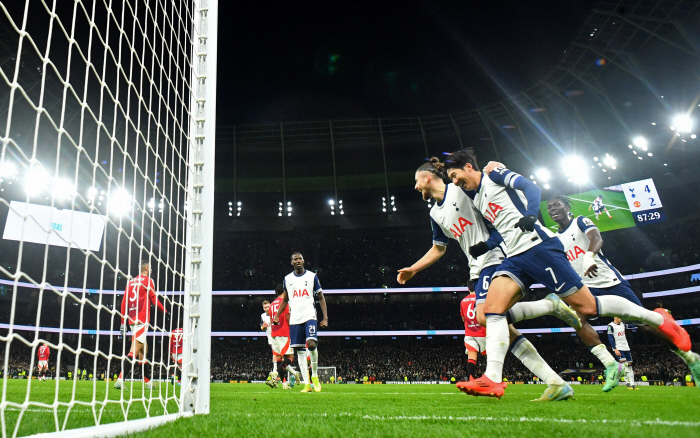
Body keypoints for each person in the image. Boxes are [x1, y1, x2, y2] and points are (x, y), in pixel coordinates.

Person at [440, 149, 691, 399]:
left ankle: (659, 320)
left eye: (455, 174)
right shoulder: (476, 198)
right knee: (491, 311)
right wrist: (487, 245)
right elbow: (502, 225)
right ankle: (492, 379)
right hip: (515, 258)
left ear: (469, 167)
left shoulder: (494, 174)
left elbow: (531, 187)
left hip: (539, 248)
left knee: (589, 308)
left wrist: (530, 214)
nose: (454, 181)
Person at [398, 159, 580, 400]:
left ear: (427, 177)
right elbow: (438, 248)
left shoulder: (460, 188)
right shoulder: (434, 212)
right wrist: (413, 269)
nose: (415, 187)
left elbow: (486, 192)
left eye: (416, 181)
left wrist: (494, 165)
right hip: (476, 268)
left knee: (486, 316)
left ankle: (546, 310)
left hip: (494, 258)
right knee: (501, 326)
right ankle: (555, 382)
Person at [547, 194, 700, 387]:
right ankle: (611, 364)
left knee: (644, 325)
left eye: (556, 205)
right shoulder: (554, 238)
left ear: (567, 207)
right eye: (549, 207)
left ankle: (690, 357)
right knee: (577, 319)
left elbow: (597, 238)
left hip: (610, 282)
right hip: (586, 288)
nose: (552, 209)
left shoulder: (580, 221)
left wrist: (589, 256)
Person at [273, 251, 328, 393]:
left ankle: (314, 376)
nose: (298, 260)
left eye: (300, 258)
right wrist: (277, 315)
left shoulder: (312, 277)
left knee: (311, 344)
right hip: (295, 319)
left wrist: (325, 317)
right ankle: (307, 384)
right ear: (291, 263)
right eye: (295, 259)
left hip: (309, 315)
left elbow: (321, 297)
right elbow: (285, 300)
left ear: (304, 261)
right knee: (300, 352)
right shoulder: (287, 279)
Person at [115, 259, 167, 390]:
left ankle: (147, 381)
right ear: (147, 268)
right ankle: (120, 379)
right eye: (151, 268)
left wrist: (122, 323)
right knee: (133, 352)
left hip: (132, 320)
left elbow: (123, 303)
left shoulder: (131, 282)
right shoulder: (148, 281)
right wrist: (165, 311)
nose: (152, 270)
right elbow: (154, 301)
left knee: (143, 350)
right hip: (142, 320)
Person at [268, 284, 301, 388]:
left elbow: (270, 321)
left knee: (279, 359)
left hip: (274, 333)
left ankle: (284, 383)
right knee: (290, 357)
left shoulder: (272, 304)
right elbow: (288, 318)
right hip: (284, 333)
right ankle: (275, 374)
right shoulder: (285, 303)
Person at [608, 317, 637, 390]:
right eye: (619, 317)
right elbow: (610, 338)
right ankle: (627, 383)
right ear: (615, 317)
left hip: (626, 347)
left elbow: (631, 326)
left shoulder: (622, 324)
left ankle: (633, 385)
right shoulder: (611, 326)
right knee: (624, 365)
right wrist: (615, 349)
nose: (621, 318)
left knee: (630, 365)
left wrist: (639, 323)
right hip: (618, 348)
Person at [260, 300, 275, 386]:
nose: (266, 309)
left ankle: (276, 373)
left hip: (280, 336)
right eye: (264, 307)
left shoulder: (275, 313)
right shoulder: (263, 316)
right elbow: (262, 327)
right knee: (276, 355)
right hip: (271, 339)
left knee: (283, 356)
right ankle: (276, 374)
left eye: (267, 307)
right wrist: (263, 327)